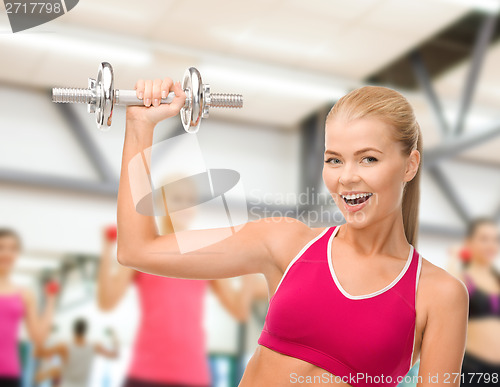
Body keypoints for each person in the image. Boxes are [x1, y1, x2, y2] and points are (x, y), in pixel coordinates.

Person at [116, 79, 469, 386]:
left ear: (410, 165)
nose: (346, 177)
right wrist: (139, 127)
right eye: (334, 159)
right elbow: (137, 249)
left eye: (368, 159)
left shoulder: (438, 295)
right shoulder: (285, 243)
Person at [98, 181, 267, 387]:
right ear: (162, 204)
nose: (185, 206)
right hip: (146, 372)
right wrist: (107, 250)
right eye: (177, 199)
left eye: (190, 200)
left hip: (192, 375)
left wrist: (250, 264)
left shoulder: (205, 252)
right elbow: (107, 301)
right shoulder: (144, 249)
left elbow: (239, 309)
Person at [447, 217, 500, 386]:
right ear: (469, 243)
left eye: (495, 239)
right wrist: (455, 259)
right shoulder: (463, 278)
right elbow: (447, 297)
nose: (491, 244)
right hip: (473, 370)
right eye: (484, 239)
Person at [0, 228, 56, 387]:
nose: (6, 253)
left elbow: (38, 337)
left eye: (12, 248)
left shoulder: (25, 294)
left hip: (9, 375)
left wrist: (50, 300)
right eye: (1, 247)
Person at [34, 318, 119, 387]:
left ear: (73, 330)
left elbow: (38, 353)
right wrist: (114, 335)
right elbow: (114, 355)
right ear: (86, 331)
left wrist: (47, 331)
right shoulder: (94, 346)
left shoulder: (63, 346)